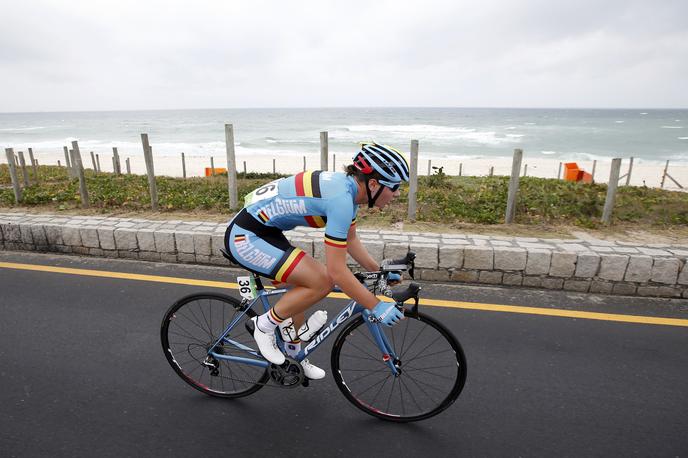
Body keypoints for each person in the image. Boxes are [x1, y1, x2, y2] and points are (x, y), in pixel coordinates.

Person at [224, 142, 409, 379]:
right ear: (373, 184)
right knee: (321, 281)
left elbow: (350, 240)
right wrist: (375, 304)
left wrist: (379, 271)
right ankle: (263, 326)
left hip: (266, 231)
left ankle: (294, 357)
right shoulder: (341, 200)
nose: (396, 194)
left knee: (302, 290)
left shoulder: (348, 193)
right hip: (246, 237)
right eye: (394, 187)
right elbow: (337, 272)